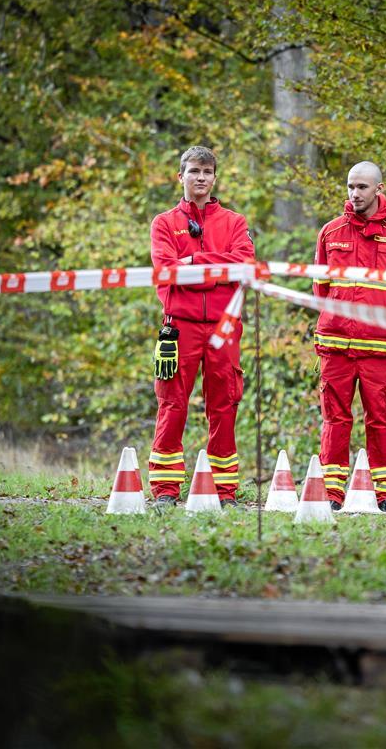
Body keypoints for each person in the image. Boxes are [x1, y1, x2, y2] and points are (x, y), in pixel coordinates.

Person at [148, 146, 255, 508]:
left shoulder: (235, 222)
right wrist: (215, 273)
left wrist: (195, 262)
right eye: (194, 171)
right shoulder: (164, 223)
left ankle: (223, 490)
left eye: (207, 172)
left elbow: (244, 263)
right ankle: (165, 489)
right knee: (172, 403)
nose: (201, 178)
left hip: (225, 326)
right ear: (181, 176)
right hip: (181, 327)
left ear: (215, 178)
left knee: (224, 404)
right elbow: (167, 270)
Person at [313, 162, 386, 512]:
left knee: (382, 420)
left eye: (361, 187)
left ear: (379, 189)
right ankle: (331, 495)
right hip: (336, 345)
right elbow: (320, 290)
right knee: (335, 419)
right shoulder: (330, 232)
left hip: (380, 347)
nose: (354, 194)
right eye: (350, 187)